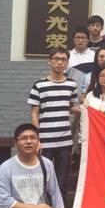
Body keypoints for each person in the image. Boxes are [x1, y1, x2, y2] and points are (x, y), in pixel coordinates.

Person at [27, 48, 80, 194]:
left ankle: (59, 207)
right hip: (45, 141)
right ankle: (43, 207)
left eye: (63, 59)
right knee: (42, 178)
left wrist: (87, 110)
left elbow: (70, 107)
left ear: (67, 63)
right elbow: (34, 113)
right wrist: (36, 139)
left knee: (62, 181)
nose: (59, 62)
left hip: (65, 141)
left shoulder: (71, 85)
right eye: (56, 59)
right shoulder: (39, 85)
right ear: (49, 61)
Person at [67, 26, 95, 100]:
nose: (80, 40)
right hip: (71, 94)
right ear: (73, 40)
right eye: (77, 37)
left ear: (88, 40)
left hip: (90, 96)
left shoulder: (94, 56)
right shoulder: (68, 56)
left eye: (83, 38)